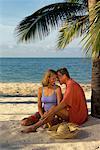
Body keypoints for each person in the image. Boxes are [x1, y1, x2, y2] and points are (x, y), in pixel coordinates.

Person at [21, 67, 88, 133]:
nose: (57, 80)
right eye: (55, 78)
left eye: (58, 77)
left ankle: (34, 127)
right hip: (76, 113)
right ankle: (39, 124)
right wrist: (46, 114)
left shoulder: (71, 85)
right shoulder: (71, 84)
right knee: (25, 122)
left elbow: (63, 104)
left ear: (64, 76)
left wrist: (50, 112)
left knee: (53, 108)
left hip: (77, 116)